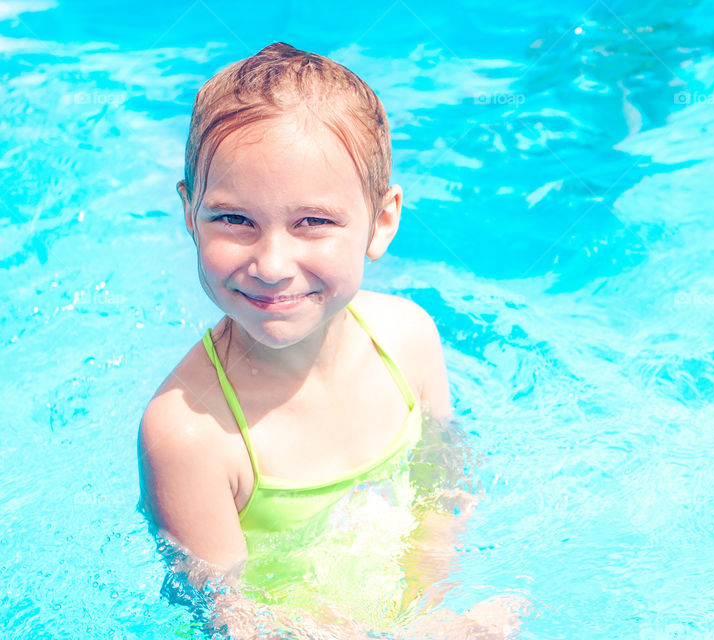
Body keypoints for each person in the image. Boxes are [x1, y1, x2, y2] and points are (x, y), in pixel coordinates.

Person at [137, 42, 525, 639]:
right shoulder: (190, 434)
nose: (271, 263)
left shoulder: (408, 338)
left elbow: (445, 482)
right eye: (234, 220)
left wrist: (431, 608)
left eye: (312, 222)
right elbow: (227, 616)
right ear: (190, 213)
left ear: (382, 220)